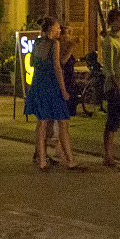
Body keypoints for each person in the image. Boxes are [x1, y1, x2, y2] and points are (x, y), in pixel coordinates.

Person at [23, 17, 83, 170]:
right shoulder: (54, 44)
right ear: (51, 29)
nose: (59, 30)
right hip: (52, 85)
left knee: (41, 122)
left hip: (38, 83)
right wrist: (63, 90)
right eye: (57, 28)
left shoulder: (37, 43)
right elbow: (57, 67)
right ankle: (70, 160)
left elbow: (31, 63)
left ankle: (42, 160)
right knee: (62, 120)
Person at [100, 8, 120, 167]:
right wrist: (115, 85)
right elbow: (109, 67)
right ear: (112, 22)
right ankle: (107, 155)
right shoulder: (109, 41)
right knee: (113, 121)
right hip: (114, 86)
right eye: (119, 20)